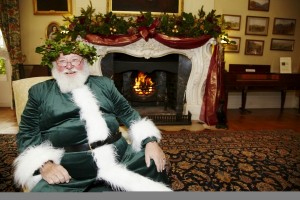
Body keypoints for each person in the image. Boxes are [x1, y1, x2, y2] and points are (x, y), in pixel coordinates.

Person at [13, 39, 172, 192]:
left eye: (75, 59)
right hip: (69, 166)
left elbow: (127, 113)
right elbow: (27, 133)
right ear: (54, 65)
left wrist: (150, 141)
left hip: (119, 155)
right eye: (62, 61)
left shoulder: (104, 84)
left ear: (85, 62)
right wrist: (45, 165)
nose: (69, 66)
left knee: (156, 166)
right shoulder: (39, 92)